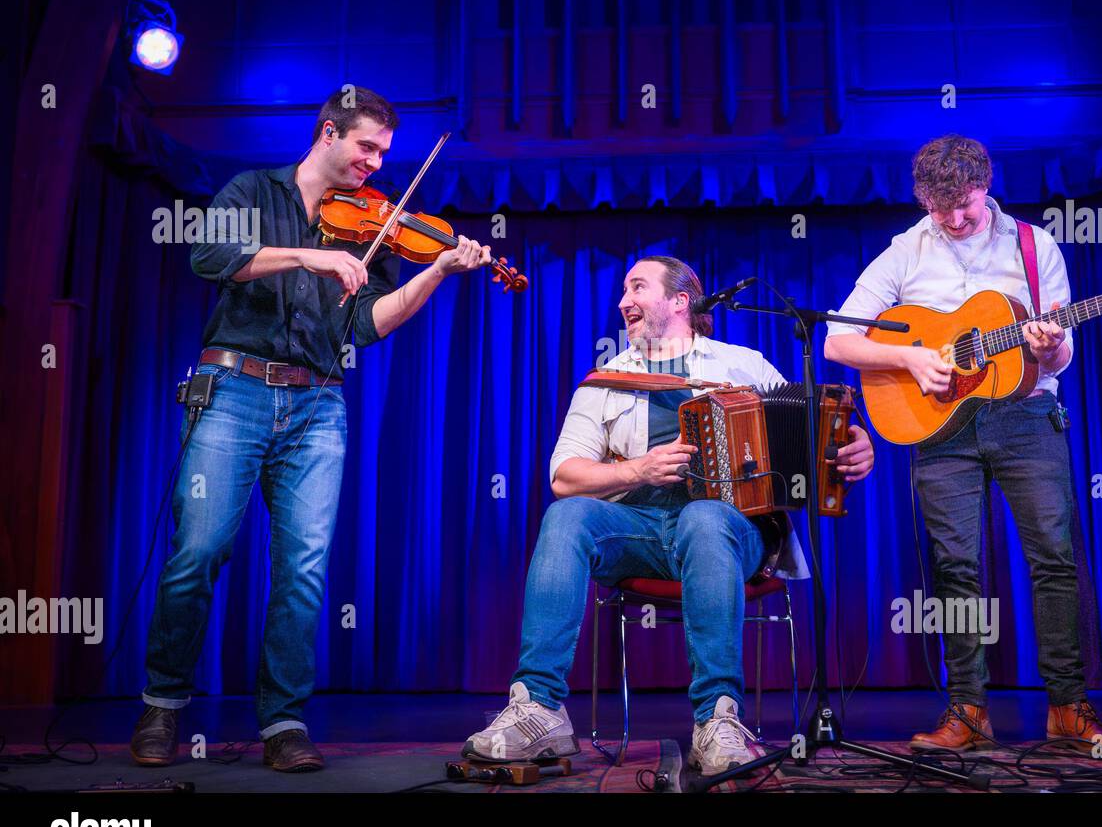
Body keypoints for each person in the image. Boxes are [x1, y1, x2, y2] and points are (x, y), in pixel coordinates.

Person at [130, 87, 493, 772]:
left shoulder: (372, 226)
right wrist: (308, 255)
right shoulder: (252, 190)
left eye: (385, 153)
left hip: (318, 402)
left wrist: (438, 271)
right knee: (200, 551)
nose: (378, 164)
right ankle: (163, 706)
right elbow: (211, 258)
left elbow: (368, 324)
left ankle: (284, 723)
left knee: (302, 568)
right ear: (328, 132)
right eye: (368, 148)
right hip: (233, 388)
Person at [462, 256, 875, 776]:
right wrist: (639, 469)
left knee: (705, 517)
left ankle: (717, 718)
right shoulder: (606, 381)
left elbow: (814, 432)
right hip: (639, 530)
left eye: (638, 287)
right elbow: (563, 476)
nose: (623, 301)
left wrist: (854, 446)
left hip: (734, 531)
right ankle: (538, 707)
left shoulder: (741, 364)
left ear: (681, 301)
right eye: (623, 290)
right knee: (566, 518)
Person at [824, 134, 1102, 755]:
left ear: (985, 186)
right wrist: (909, 356)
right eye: (941, 210)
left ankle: (1068, 707)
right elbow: (836, 339)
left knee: (1054, 557)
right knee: (954, 567)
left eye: (963, 204)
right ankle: (967, 711)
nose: (955, 220)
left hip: (1027, 416)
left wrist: (1049, 345)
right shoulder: (904, 251)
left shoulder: (1033, 245)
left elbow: (1061, 354)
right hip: (941, 428)